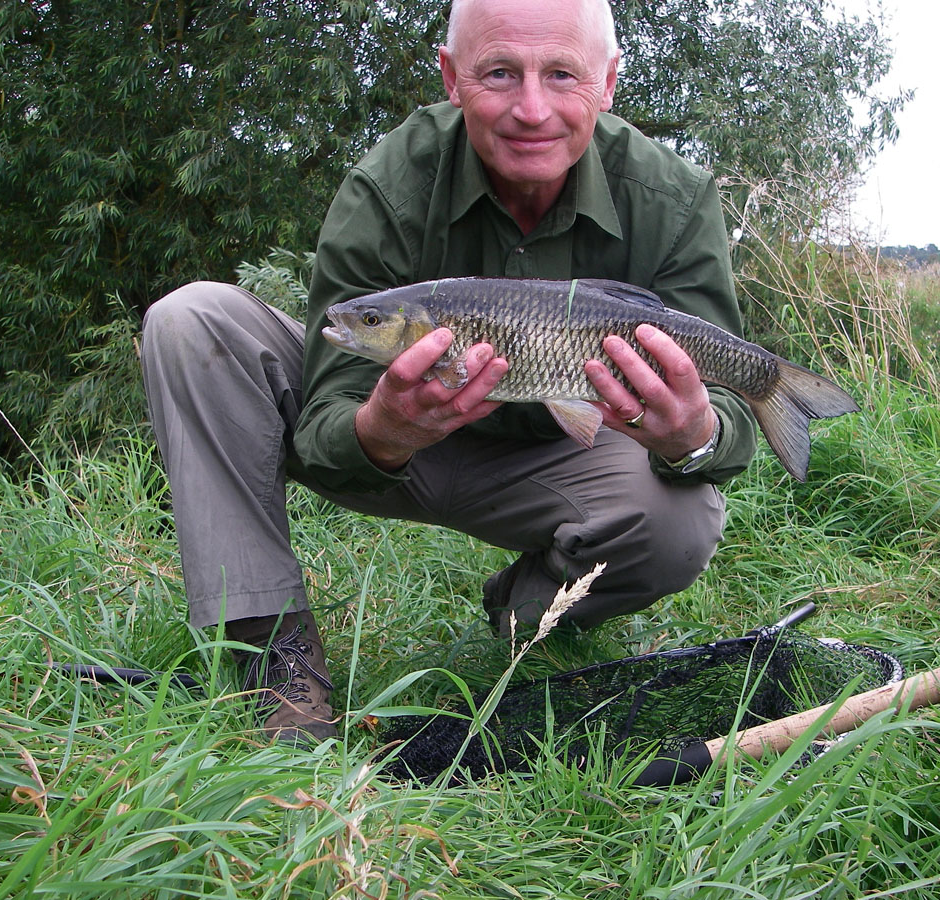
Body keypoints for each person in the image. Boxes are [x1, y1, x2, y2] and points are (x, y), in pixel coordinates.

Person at [140, 0, 757, 744]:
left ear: (608, 83)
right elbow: (327, 410)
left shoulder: (673, 199)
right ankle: (275, 662)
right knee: (190, 320)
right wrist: (382, 429)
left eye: (562, 75)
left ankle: (528, 617)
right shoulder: (391, 183)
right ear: (451, 76)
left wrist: (695, 433)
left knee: (682, 522)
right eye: (499, 73)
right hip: (392, 439)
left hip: (559, 458)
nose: (532, 109)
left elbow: (732, 420)